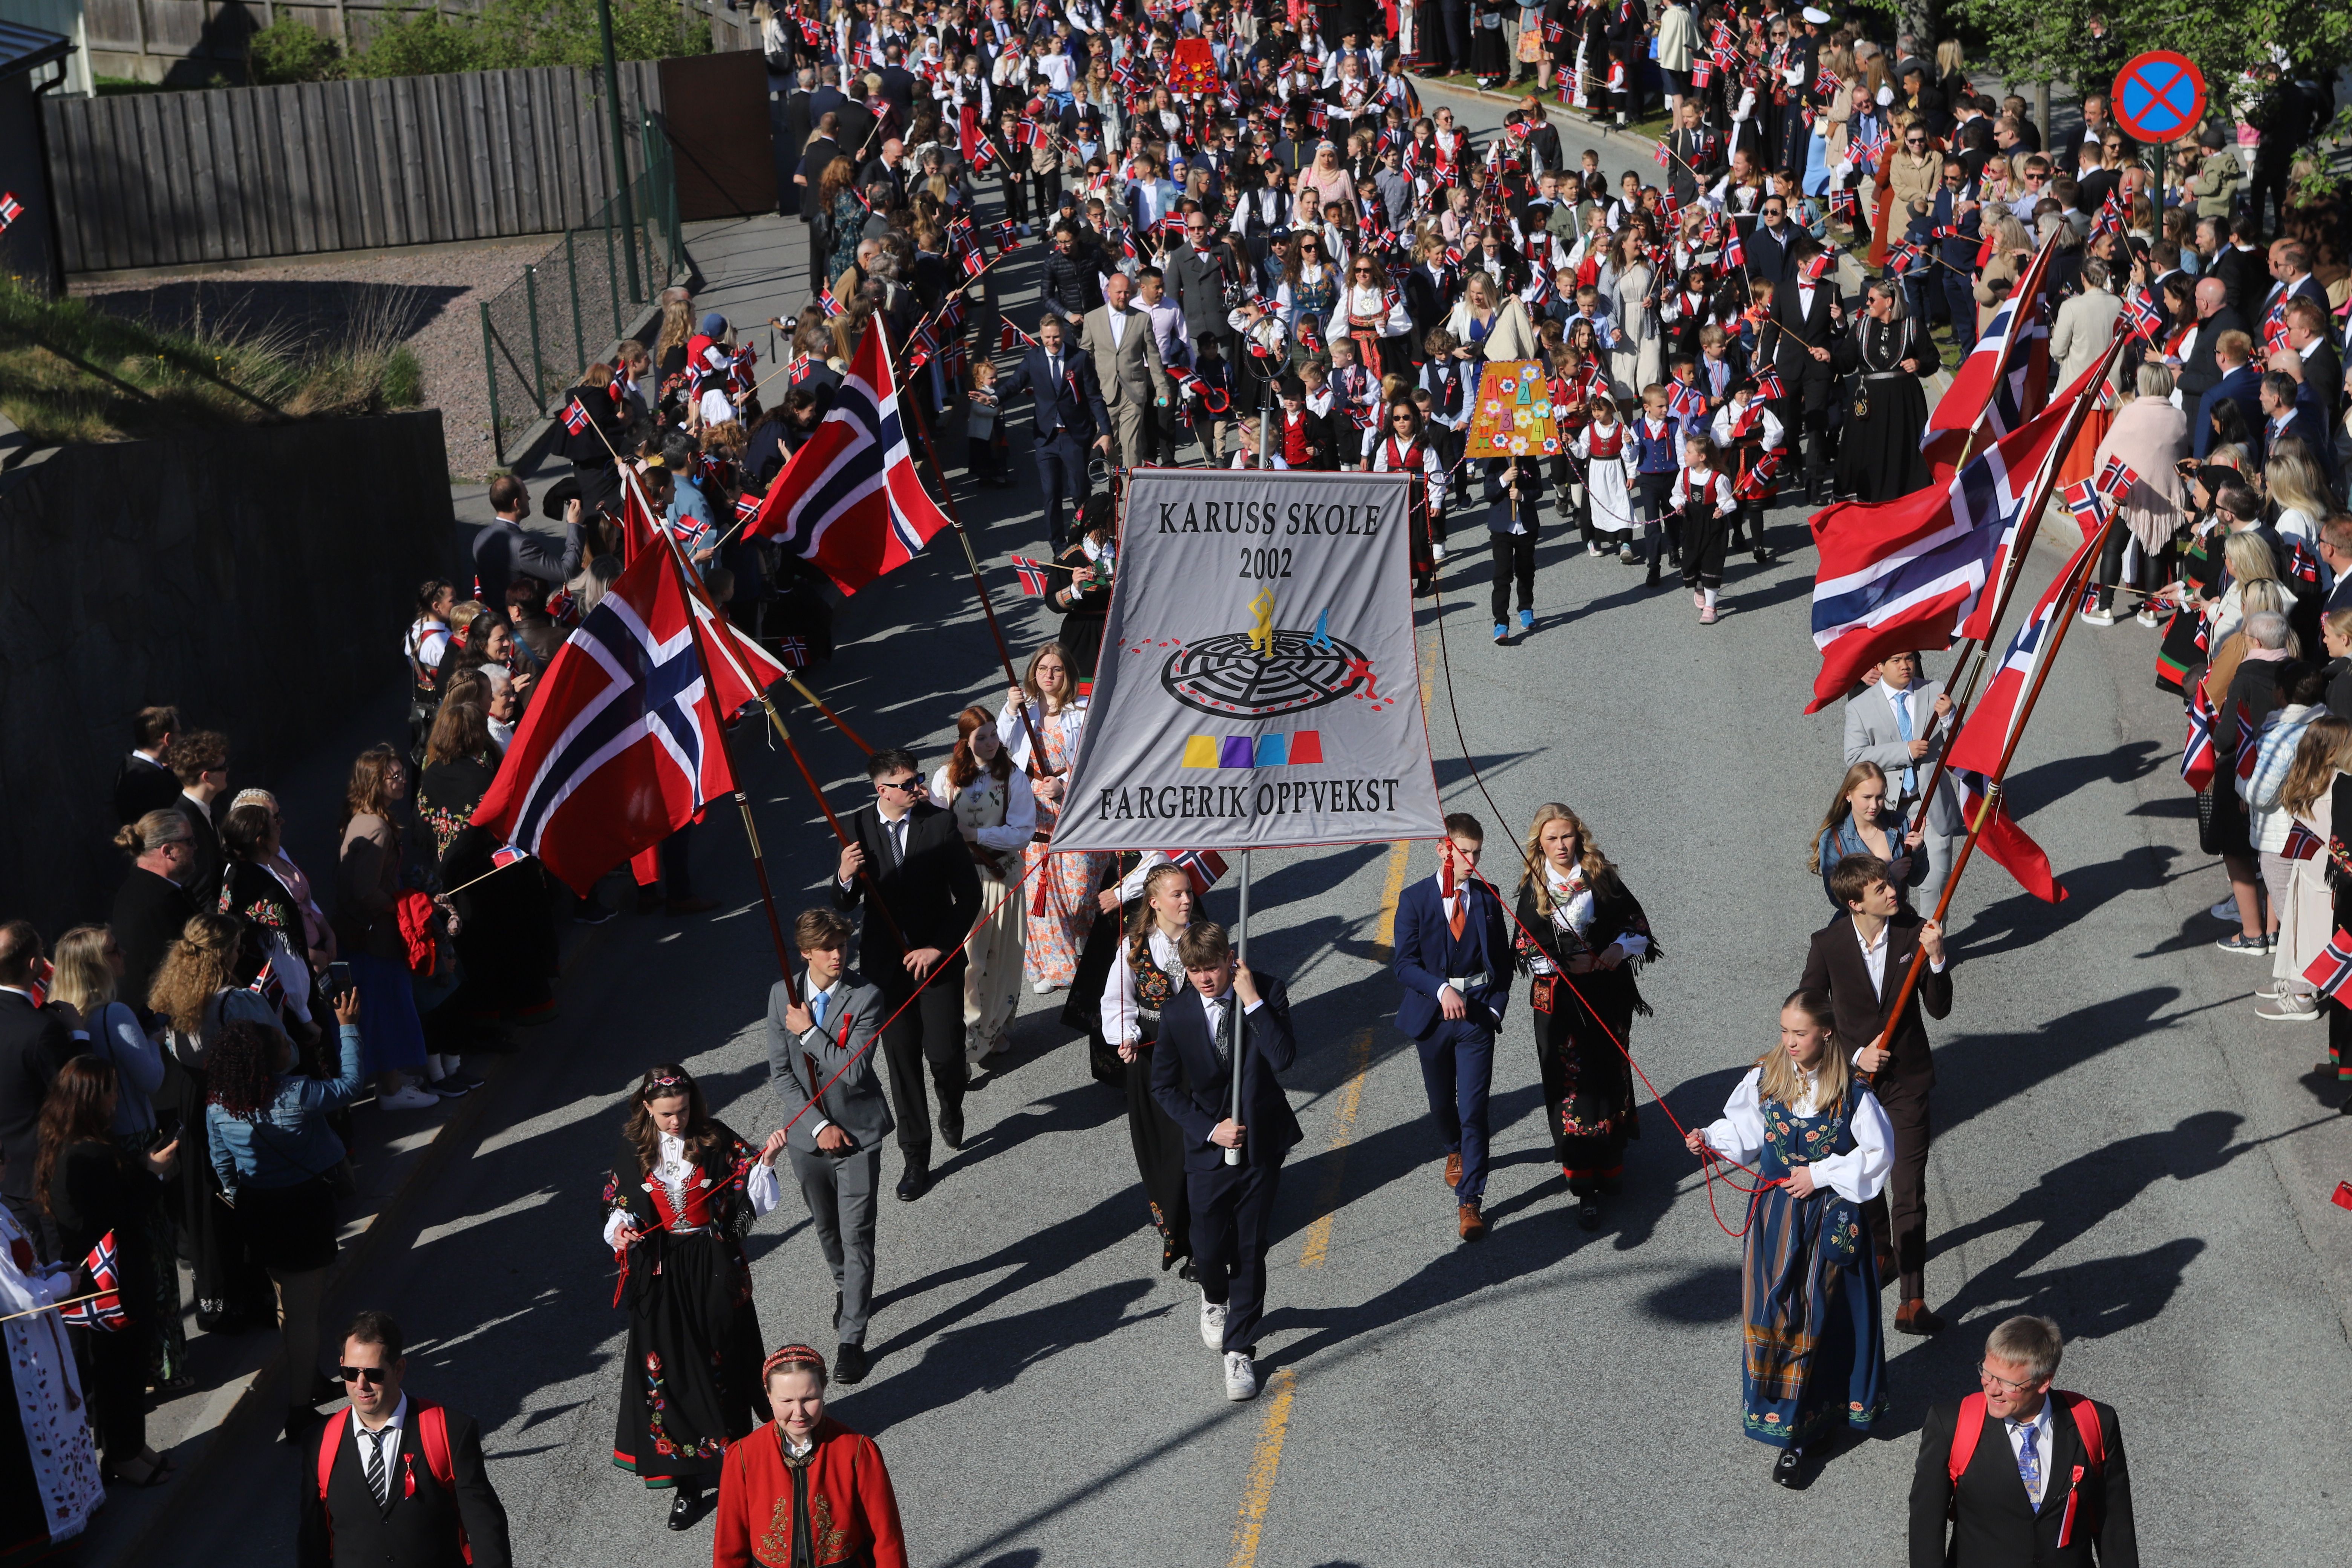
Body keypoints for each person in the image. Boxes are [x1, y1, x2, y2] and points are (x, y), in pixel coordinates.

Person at [1685, 990, 1892, 1486]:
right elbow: (1744, 1132)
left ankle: (1810, 1428)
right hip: (1775, 1219)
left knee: (1820, 1319)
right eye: (1784, 1030)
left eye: (1800, 1033)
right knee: (1775, 1314)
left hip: (1829, 1218)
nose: (1789, 1041)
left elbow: (1880, 1154)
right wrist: (1710, 1139)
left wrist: (1819, 1175)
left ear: (1826, 1033)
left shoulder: (1854, 1094)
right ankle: (1788, 1426)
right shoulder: (1767, 1078)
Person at [602, 1064, 782, 1529]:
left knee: (726, 1361)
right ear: (647, 1107)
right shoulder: (634, 1148)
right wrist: (621, 1231)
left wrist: (766, 1162)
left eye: (682, 1110)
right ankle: (687, 1483)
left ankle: (741, 1467)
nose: (675, 1120)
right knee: (671, 1372)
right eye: (666, 1113)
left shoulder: (715, 1138)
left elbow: (751, 1200)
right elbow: (619, 1205)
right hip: (661, 1270)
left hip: (711, 1264)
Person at [1801, 853, 1952, 1336]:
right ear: (1854, 902)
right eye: (1881, 888)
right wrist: (1853, 1055)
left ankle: (1912, 1300)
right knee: (1864, 1180)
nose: (1893, 891)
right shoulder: (1828, 945)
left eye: (1890, 883)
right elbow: (1808, 1014)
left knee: (1908, 1187)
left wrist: (1937, 958)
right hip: (1854, 1087)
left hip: (1908, 1082)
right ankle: (1882, 1250)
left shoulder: (1914, 932)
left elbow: (1940, 1008)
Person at [1149, 922, 1298, 1403]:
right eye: (1194, 971)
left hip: (1261, 1146)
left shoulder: (1267, 991)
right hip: (1208, 1150)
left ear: (1230, 959)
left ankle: (1240, 1349)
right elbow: (1164, 1087)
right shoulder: (1177, 1013)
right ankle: (1214, 1296)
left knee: (1251, 1248)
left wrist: (1252, 1000)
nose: (1205, 979)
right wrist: (1211, 1129)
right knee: (1209, 1248)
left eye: (1212, 968)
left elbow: (1283, 1057)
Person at [206, 1000, 365, 1443]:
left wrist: (243, 1198)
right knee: (304, 1314)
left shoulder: (218, 1105)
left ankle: (309, 1377)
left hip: (258, 1209)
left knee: (286, 1302)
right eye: (279, 1039)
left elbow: (223, 1165)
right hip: (303, 1208)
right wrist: (348, 1028)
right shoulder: (297, 1093)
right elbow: (351, 1085)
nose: (286, 1040)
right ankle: (299, 1410)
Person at [831, 746, 981, 1204]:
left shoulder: (940, 823)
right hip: (886, 966)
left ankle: (951, 1101)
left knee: (944, 1054)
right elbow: (844, 903)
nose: (918, 787)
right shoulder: (857, 825)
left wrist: (939, 947)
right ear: (883, 790)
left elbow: (970, 895)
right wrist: (844, 874)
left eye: (918, 779)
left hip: (935, 958)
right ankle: (916, 1156)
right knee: (902, 1061)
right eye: (908, 783)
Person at [1510, 803, 1658, 1229]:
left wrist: (1617, 949)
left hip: (1606, 993)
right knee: (1571, 1085)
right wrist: (1562, 963)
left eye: (1567, 836)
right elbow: (1524, 948)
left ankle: (1611, 1163)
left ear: (1579, 836)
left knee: (1609, 1075)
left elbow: (1638, 926)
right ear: (1540, 843)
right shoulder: (1535, 885)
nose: (1561, 845)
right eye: (1552, 838)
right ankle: (1583, 1186)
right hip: (1560, 1004)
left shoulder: (1600, 875)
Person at [48, 925, 182, 1388]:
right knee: (154, 1255)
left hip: (96, 1148)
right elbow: (151, 1078)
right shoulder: (115, 1013)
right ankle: (167, 1364)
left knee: (116, 1262)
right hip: (137, 1141)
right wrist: (155, 1041)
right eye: (112, 950)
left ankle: (138, 1361)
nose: (123, 954)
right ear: (94, 965)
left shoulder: (66, 1021)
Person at [38, 1056, 178, 1484]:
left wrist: (144, 1167)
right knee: (120, 1369)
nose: (117, 1098)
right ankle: (122, 1455)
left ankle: (132, 1445)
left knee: (128, 1365)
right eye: (110, 1090)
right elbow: (115, 1217)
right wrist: (154, 1176)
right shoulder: (85, 1154)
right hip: (111, 1280)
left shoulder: (80, 1144)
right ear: (89, 1099)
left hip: (112, 1276)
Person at [767, 910, 890, 1387]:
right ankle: (845, 1284)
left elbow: (853, 1070)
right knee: (827, 1226)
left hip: (858, 1133)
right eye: (828, 948)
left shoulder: (866, 996)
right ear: (805, 953)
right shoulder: (782, 995)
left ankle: (852, 1339)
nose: (839, 955)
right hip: (807, 1136)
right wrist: (818, 1126)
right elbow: (782, 1074)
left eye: (843, 944)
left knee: (858, 1233)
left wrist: (809, 1032)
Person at [1908, 1314, 2139, 1566]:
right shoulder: (1950, 1425)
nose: (1991, 1389)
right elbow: (1926, 1525)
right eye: (1987, 1373)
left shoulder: (2096, 1423)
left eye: (2007, 1383)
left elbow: (2116, 1529)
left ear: (2044, 1381)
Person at [299, 1310, 514, 1568]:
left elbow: (485, 1526)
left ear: (399, 1369)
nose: (361, 1385)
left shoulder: (451, 1431)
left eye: (374, 1374)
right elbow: (313, 1540)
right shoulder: (319, 1441)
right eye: (351, 1373)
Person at [1391, 815, 1512, 1242]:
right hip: (1433, 1019)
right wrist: (1441, 989)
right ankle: (1453, 1148)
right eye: (1465, 852)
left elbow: (1503, 960)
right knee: (1442, 1104)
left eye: (1478, 853)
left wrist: (1495, 1009)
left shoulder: (1488, 898)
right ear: (1443, 849)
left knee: (1474, 1110)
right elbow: (1404, 965)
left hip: (1477, 1018)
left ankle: (1470, 1199)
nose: (1472, 862)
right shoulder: (1414, 899)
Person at [710, 1344, 908, 1568]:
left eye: (809, 1399)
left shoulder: (857, 1450)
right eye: (787, 1401)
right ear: (769, 1395)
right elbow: (730, 1542)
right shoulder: (744, 1455)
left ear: (823, 1389)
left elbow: (886, 1537)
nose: (799, 1412)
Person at [334, 746, 438, 1111]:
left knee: (380, 1008)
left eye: (402, 773)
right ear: (374, 783)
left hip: (364, 936)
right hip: (376, 938)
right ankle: (392, 1090)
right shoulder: (376, 828)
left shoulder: (363, 818)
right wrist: (399, 906)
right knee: (389, 1009)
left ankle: (390, 1080)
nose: (402, 780)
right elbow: (365, 890)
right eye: (394, 776)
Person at [0, 1181, 101, 1555]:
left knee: (59, 1422)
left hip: (38, 1337)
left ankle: (74, 1510)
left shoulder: (2, 1209)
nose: (5, 1167)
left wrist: (53, 1272)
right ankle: (44, 1538)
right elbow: (18, 1300)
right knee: (33, 1440)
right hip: (17, 1349)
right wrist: (62, 1283)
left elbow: (24, 1273)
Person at [929, 707, 1034, 1066]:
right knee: (968, 962)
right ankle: (965, 1037)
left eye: (994, 735)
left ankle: (993, 1028)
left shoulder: (1013, 777)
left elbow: (1023, 832)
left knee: (1002, 957)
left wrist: (976, 834)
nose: (991, 743)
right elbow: (933, 828)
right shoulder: (945, 777)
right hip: (960, 882)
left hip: (1001, 877)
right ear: (965, 741)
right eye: (981, 737)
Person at [1001, 645, 1107, 997]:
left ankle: (1080, 945)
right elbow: (997, 747)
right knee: (1040, 895)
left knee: (1078, 893)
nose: (1049, 675)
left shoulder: (1083, 711)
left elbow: (1097, 760)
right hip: (1033, 807)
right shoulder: (1024, 711)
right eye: (1043, 669)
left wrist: (1064, 783)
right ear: (1033, 673)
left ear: (1068, 674)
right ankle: (1056, 966)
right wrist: (1010, 710)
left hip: (1073, 805)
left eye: (1057, 669)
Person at [1844, 650, 1961, 912]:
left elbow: (1963, 745)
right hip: (1885, 809)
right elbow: (1854, 757)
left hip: (1929, 804)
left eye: (1909, 659)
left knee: (1936, 885)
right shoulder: (1860, 706)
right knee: (1888, 886)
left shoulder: (1935, 691)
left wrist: (1949, 718)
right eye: (1896, 661)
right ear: (1879, 666)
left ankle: (1929, 939)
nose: (1905, 666)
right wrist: (1905, 751)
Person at [999, 313, 1112, 550]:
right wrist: (994, 398)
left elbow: (1094, 397)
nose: (1052, 342)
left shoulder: (1079, 358)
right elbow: (1015, 383)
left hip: (1074, 437)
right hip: (1046, 439)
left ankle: (1086, 542)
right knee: (1051, 493)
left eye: (1057, 337)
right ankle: (1059, 547)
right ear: (1041, 336)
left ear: (1064, 334)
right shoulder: (1034, 358)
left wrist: (1106, 431)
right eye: (1048, 338)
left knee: (1080, 492)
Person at [0, 922, 77, 1254]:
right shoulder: (43, 1028)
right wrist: (79, 1035)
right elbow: (73, 1097)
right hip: (39, 1180)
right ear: (35, 965)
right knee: (55, 1266)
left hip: (8, 1179)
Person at [1833, 279, 1939, 501]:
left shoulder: (1912, 326)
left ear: (1889, 302)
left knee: (1899, 451)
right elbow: (1846, 362)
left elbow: (1932, 360)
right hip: (1869, 403)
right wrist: (1829, 358)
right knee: (1865, 450)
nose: (1868, 303)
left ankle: (1902, 501)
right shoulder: (1862, 327)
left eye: (1872, 299)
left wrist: (1918, 364)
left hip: (1903, 404)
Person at [110, 808, 198, 1015]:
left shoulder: (141, 889)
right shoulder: (155, 901)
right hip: (162, 1017)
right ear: (168, 851)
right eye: (190, 842)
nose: (196, 847)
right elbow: (176, 969)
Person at [1812, 761, 1928, 907]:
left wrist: (1918, 850)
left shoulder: (1899, 823)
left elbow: (1916, 879)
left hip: (1899, 916)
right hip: (1863, 921)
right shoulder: (1833, 839)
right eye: (1867, 797)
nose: (1874, 806)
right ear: (1848, 795)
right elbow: (1838, 899)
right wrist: (1889, 877)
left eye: (1880, 797)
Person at [166, 729, 230, 913]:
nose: (227, 771)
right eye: (223, 767)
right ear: (207, 777)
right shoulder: (186, 825)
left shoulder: (205, 808)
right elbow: (200, 892)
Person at [112, 704, 181, 825]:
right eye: (179, 733)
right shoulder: (152, 781)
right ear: (168, 739)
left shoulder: (129, 766)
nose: (182, 739)